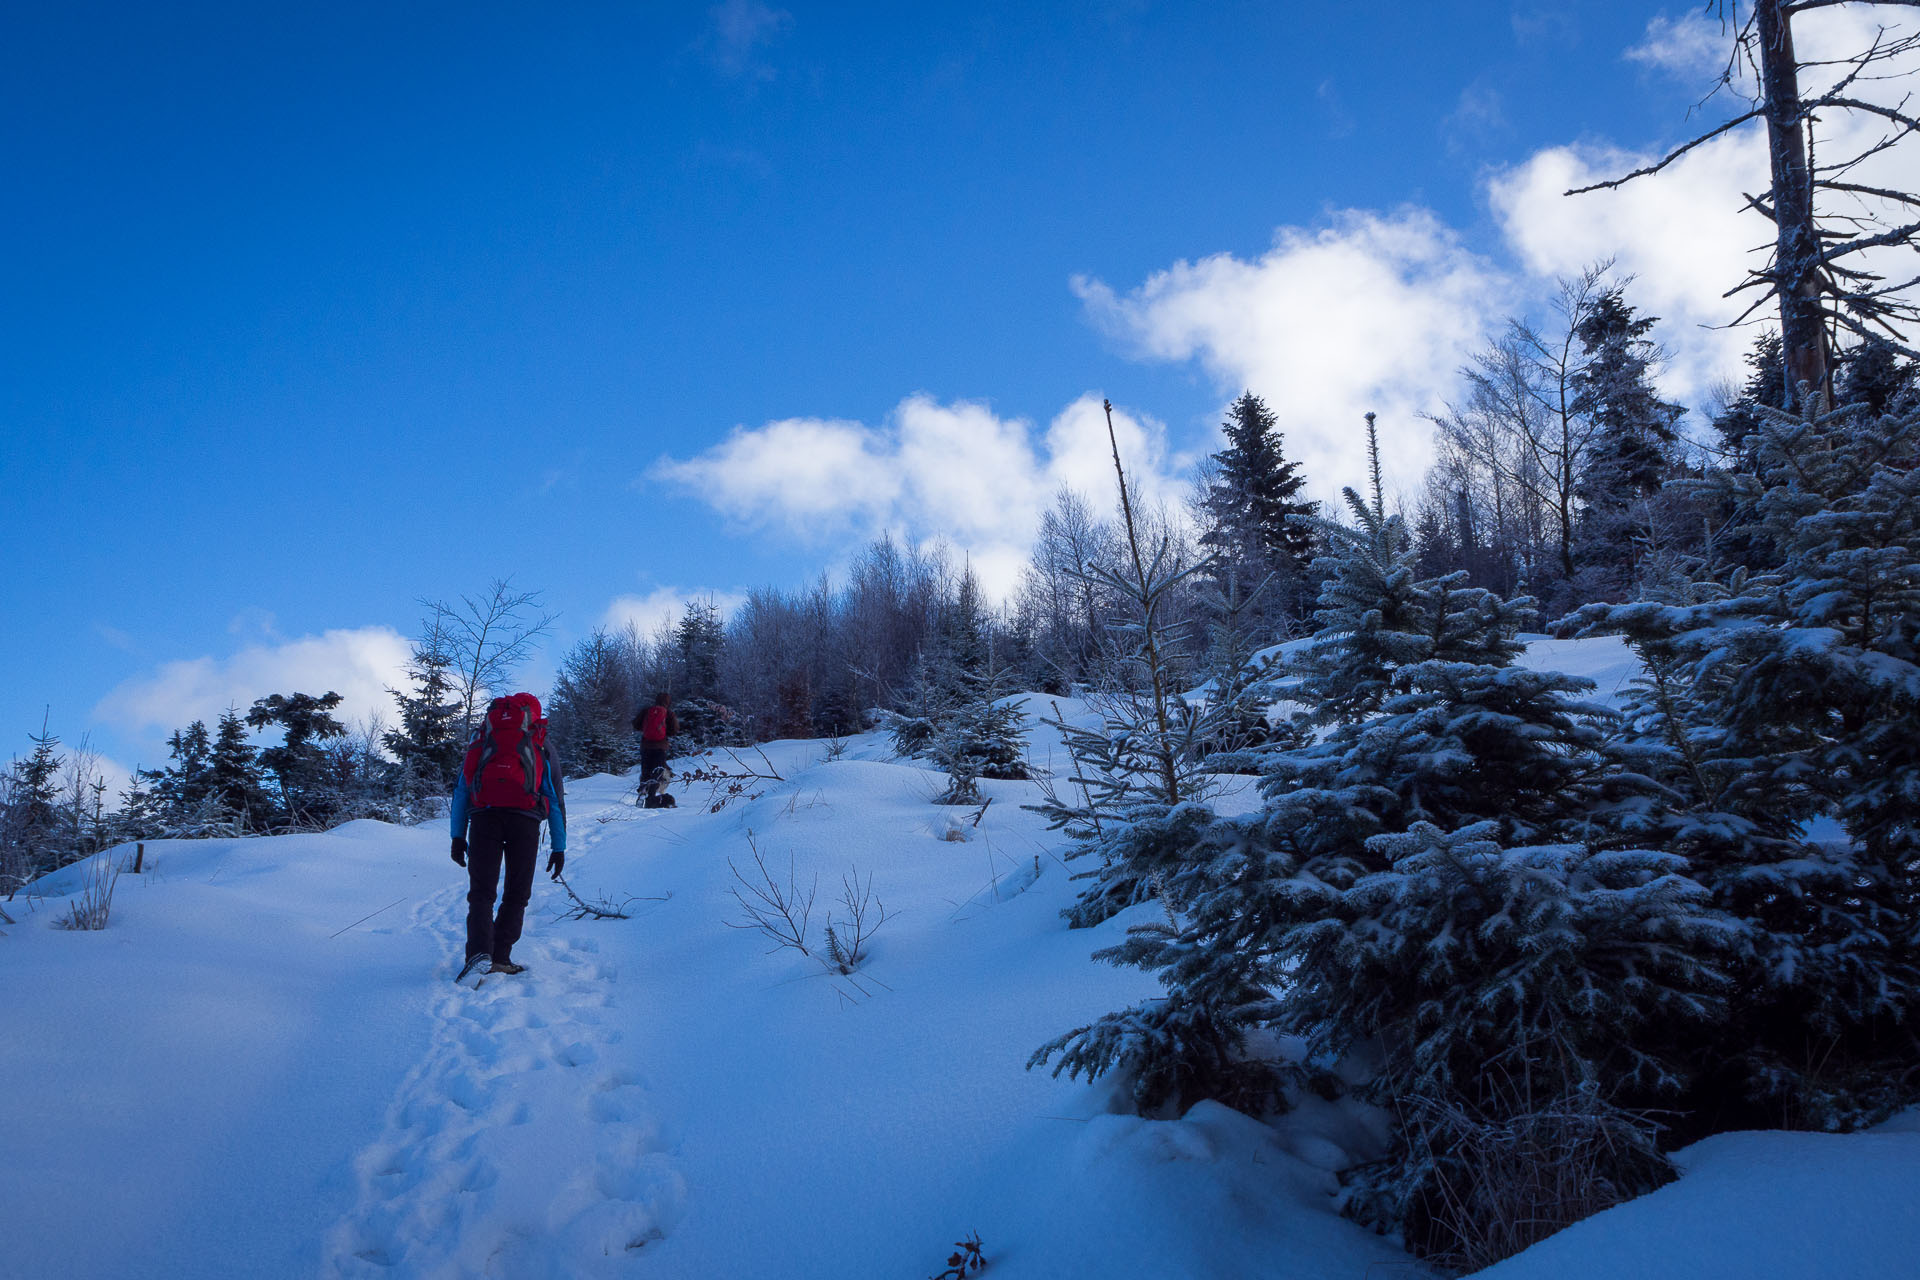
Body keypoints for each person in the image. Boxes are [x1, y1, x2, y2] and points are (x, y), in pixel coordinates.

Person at [450, 692, 566, 984]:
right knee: (516, 893)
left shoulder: (483, 738)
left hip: (483, 818)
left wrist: (457, 836)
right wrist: (558, 846)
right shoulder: (539, 741)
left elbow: (463, 789)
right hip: (524, 822)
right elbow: (554, 796)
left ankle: (478, 955)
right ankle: (500, 956)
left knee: (481, 893)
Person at [632, 691, 679, 806]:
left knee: (645, 771)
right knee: (657, 771)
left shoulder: (647, 711)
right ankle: (651, 798)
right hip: (660, 747)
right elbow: (674, 730)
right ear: (668, 702)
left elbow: (636, 724)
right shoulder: (669, 713)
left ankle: (642, 791)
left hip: (646, 746)